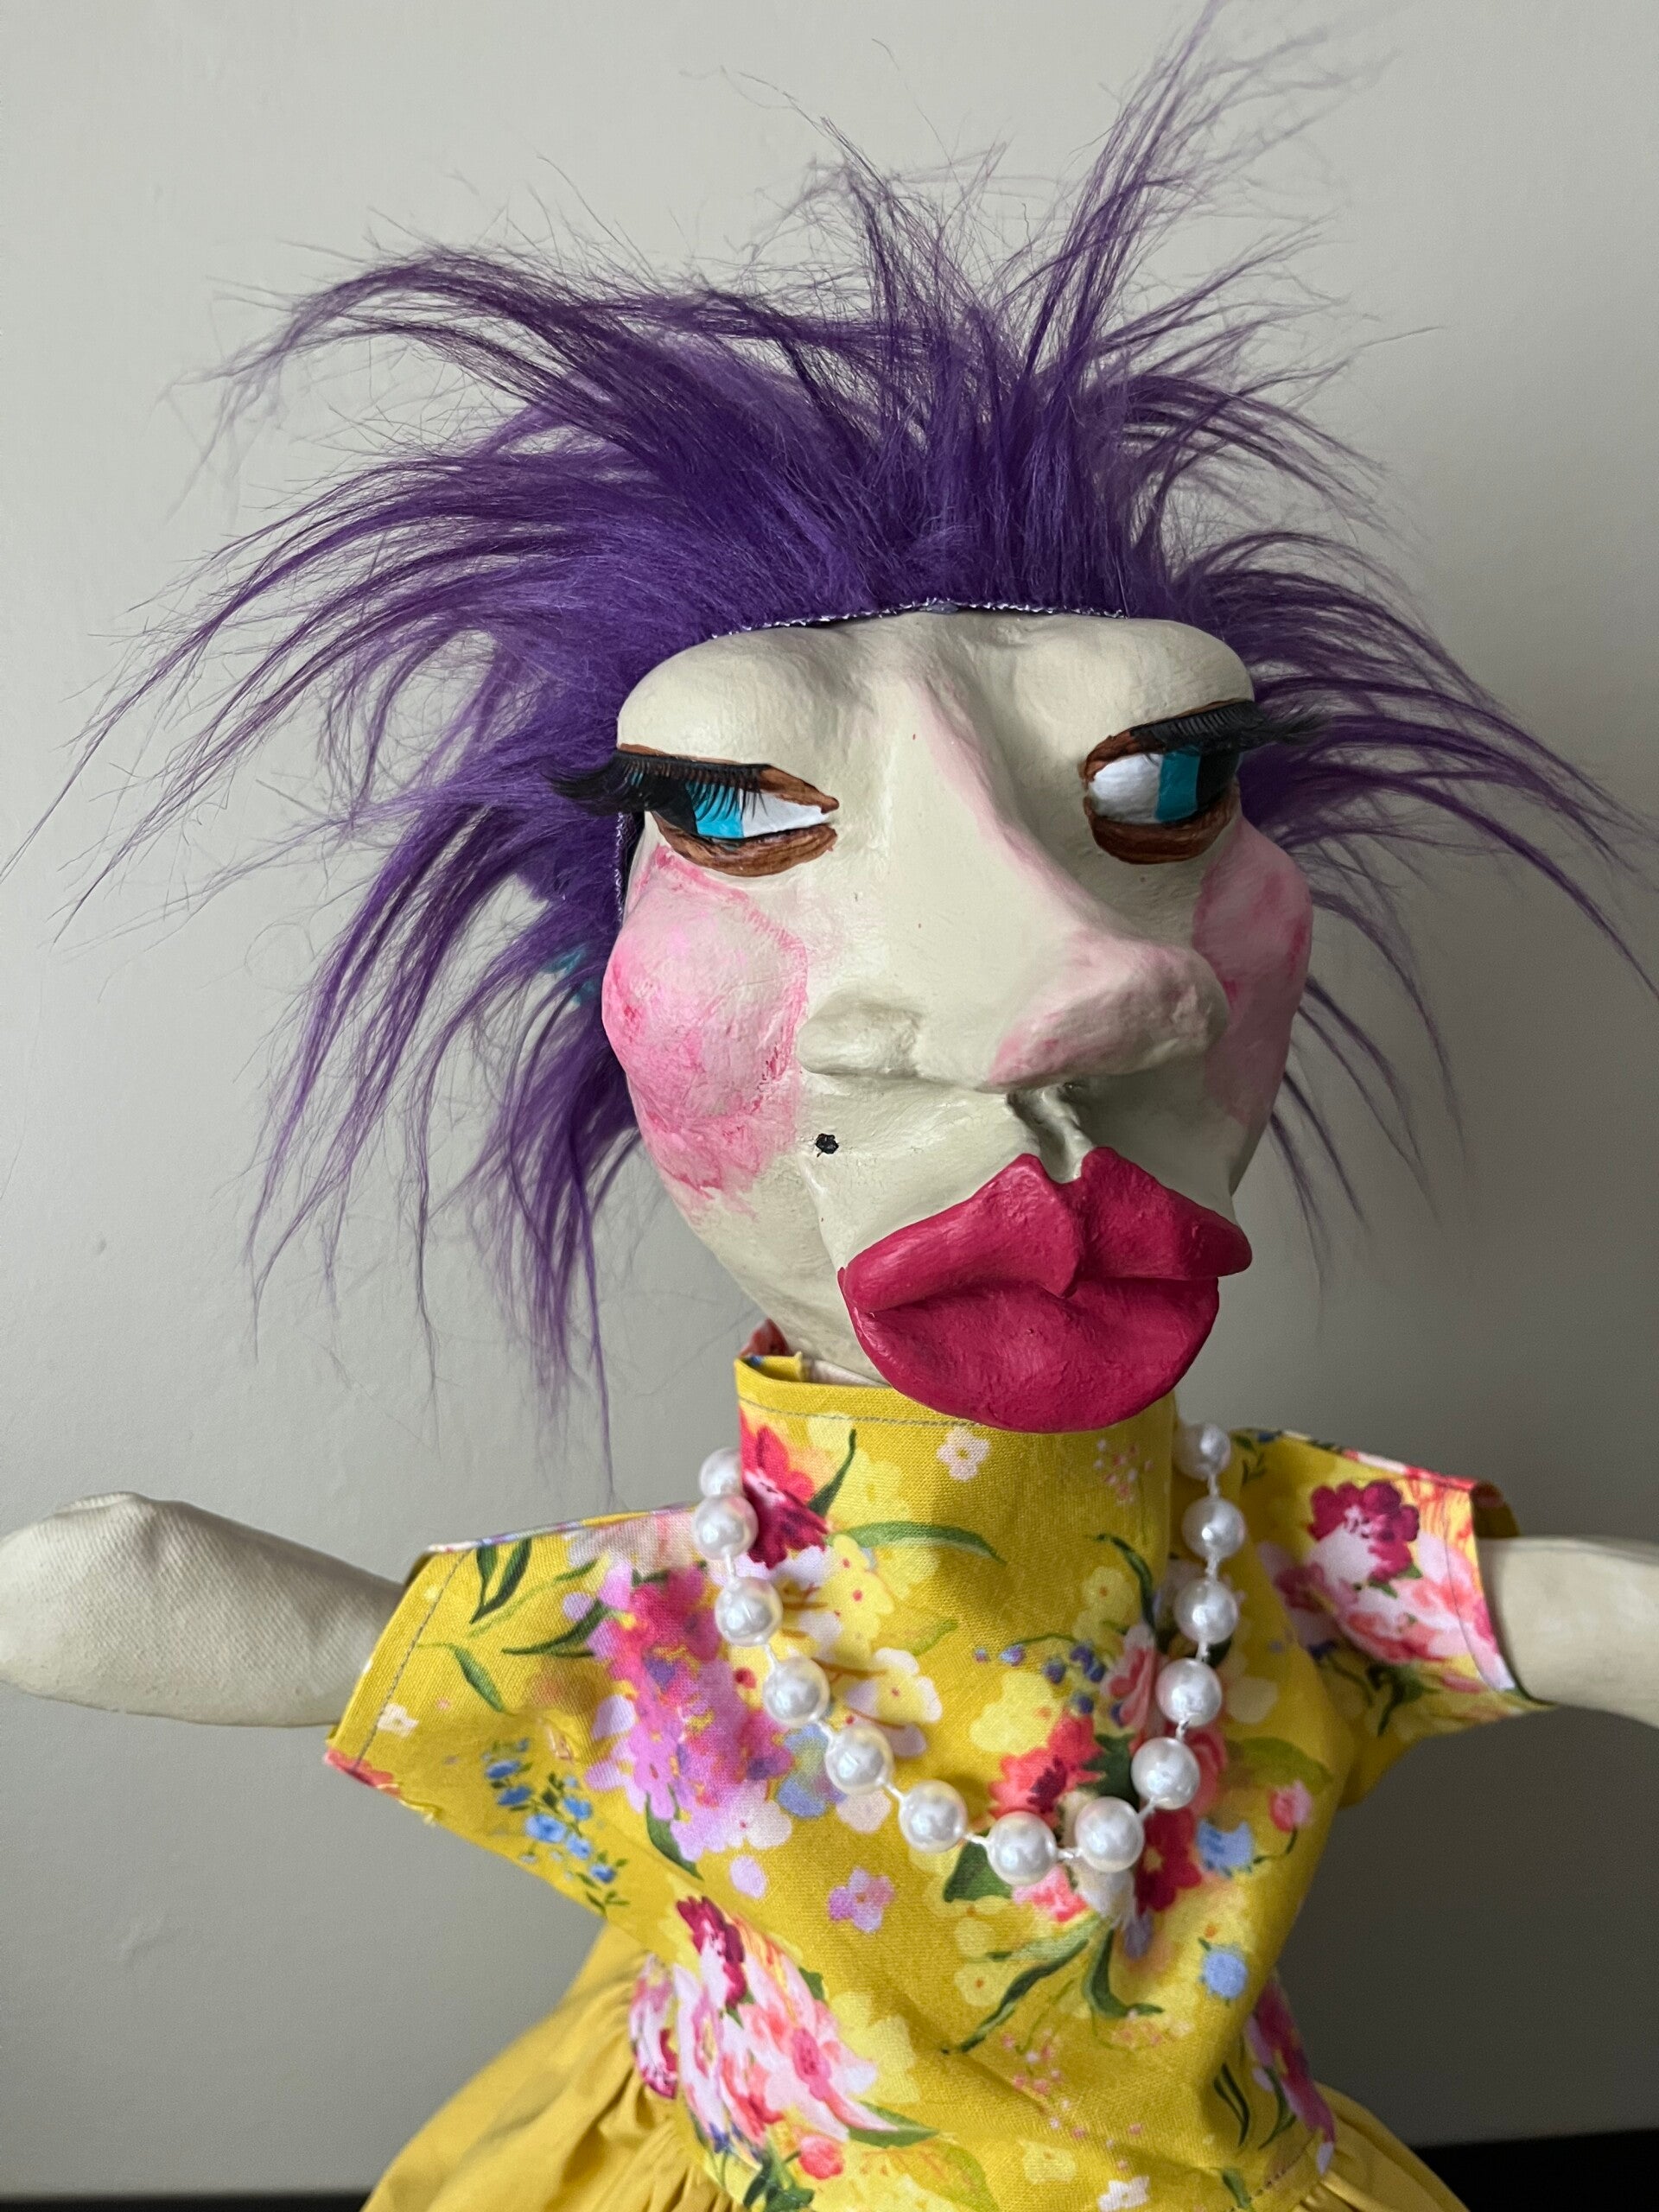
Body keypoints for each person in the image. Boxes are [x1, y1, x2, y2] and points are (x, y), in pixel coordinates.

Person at [3, 34, 1655, 2212]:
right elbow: (140, 1592)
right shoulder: (693, 1638)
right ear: (608, 973)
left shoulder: (1273, 1568)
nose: (1071, 1005)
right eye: (736, 816)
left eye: (1165, 788)